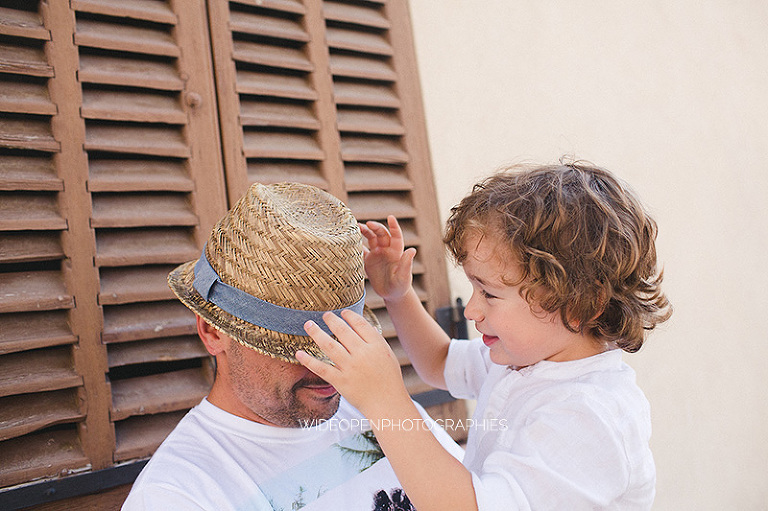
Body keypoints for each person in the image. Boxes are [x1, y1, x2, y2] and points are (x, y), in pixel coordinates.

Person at [297, 161, 673, 510]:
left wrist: (385, 402)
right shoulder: (524, 359)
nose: (471, 310)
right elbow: (439, 362)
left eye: (490, 294)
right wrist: (398, 296)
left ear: (577, 306)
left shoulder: (589, 417)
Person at [122, 182, 463, 511]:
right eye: (296, 350)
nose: (329, 363)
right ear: (213, 333)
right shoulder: (179, 494)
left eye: (340, 340)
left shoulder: (379, 407)